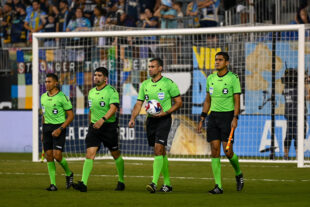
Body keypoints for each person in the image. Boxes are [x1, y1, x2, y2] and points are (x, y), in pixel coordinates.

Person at [128, 58, 182, 193]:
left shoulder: (168, 84)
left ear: (160, 68)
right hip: (150, 120)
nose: (150, 69)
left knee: (158, 149)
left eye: (153, 66)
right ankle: (168, 184)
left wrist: (166, 112)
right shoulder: (145, 84)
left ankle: (154, 183)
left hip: (164, 120)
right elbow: (139, 103)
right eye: (149, 66)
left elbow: (179, 102)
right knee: (160, 151)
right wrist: (133, 118)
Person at [197, 52, 244, 194]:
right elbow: (207, 100)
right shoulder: (210, 78)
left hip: (228, 117)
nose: (217, 62)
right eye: (216, 60)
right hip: (213, 117)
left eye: (220, 60)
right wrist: (202, 118)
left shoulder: (233, 78)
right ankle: (218, 186)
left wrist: (235, 118)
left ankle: (239, 173)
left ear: (227, 62)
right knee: (215, 150)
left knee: (228, 151)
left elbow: (237, 100)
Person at [73, 67, 125, 192]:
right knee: (90, 154)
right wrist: (91, 123)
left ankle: (121, 181)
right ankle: (83, 184)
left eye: (99, 75)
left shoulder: (111, 91)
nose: (96, 77)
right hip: (94, 127)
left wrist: (102, 119)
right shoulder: (91, 92)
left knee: (115, 154)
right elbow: (91, 110)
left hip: (108, 127)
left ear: (105, 78)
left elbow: (113, 109)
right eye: (95, 75)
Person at [41, 73, 74, 191]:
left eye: (49, 82)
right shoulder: (43, 97)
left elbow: (70, 116)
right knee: (49, 156)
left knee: (57, 155)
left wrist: (60, 129)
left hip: (59, 128)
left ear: (56, 83)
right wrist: (42, 132)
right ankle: (53, 184)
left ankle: (69, 173)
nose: (46, 84)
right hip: (47, 128)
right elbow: (44, 115)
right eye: (46, 82)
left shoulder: (62, 97)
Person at [281, 68, 307, 160]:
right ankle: (298, 157)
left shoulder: (286, 87)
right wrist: (306, 83)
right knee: (298, 136)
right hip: (298, 114)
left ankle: (286, 156)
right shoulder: (298, 87)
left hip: (289, 114)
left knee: (289, 135)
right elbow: (306, 97)